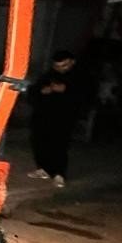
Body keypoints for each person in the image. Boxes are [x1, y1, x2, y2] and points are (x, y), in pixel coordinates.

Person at [27, 51, 87, 188]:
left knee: (59, 144)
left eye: (64, 65)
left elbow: (85, 96)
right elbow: (34, 92)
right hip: (43, 115)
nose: (61, 69)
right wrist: (43, 91)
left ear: (72, 62)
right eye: (57, 66)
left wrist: (66, 90)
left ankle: (59, 174)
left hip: (64, 117)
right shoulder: (48, 75)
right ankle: (43, 168)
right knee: (39, 141)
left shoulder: (80, 76)